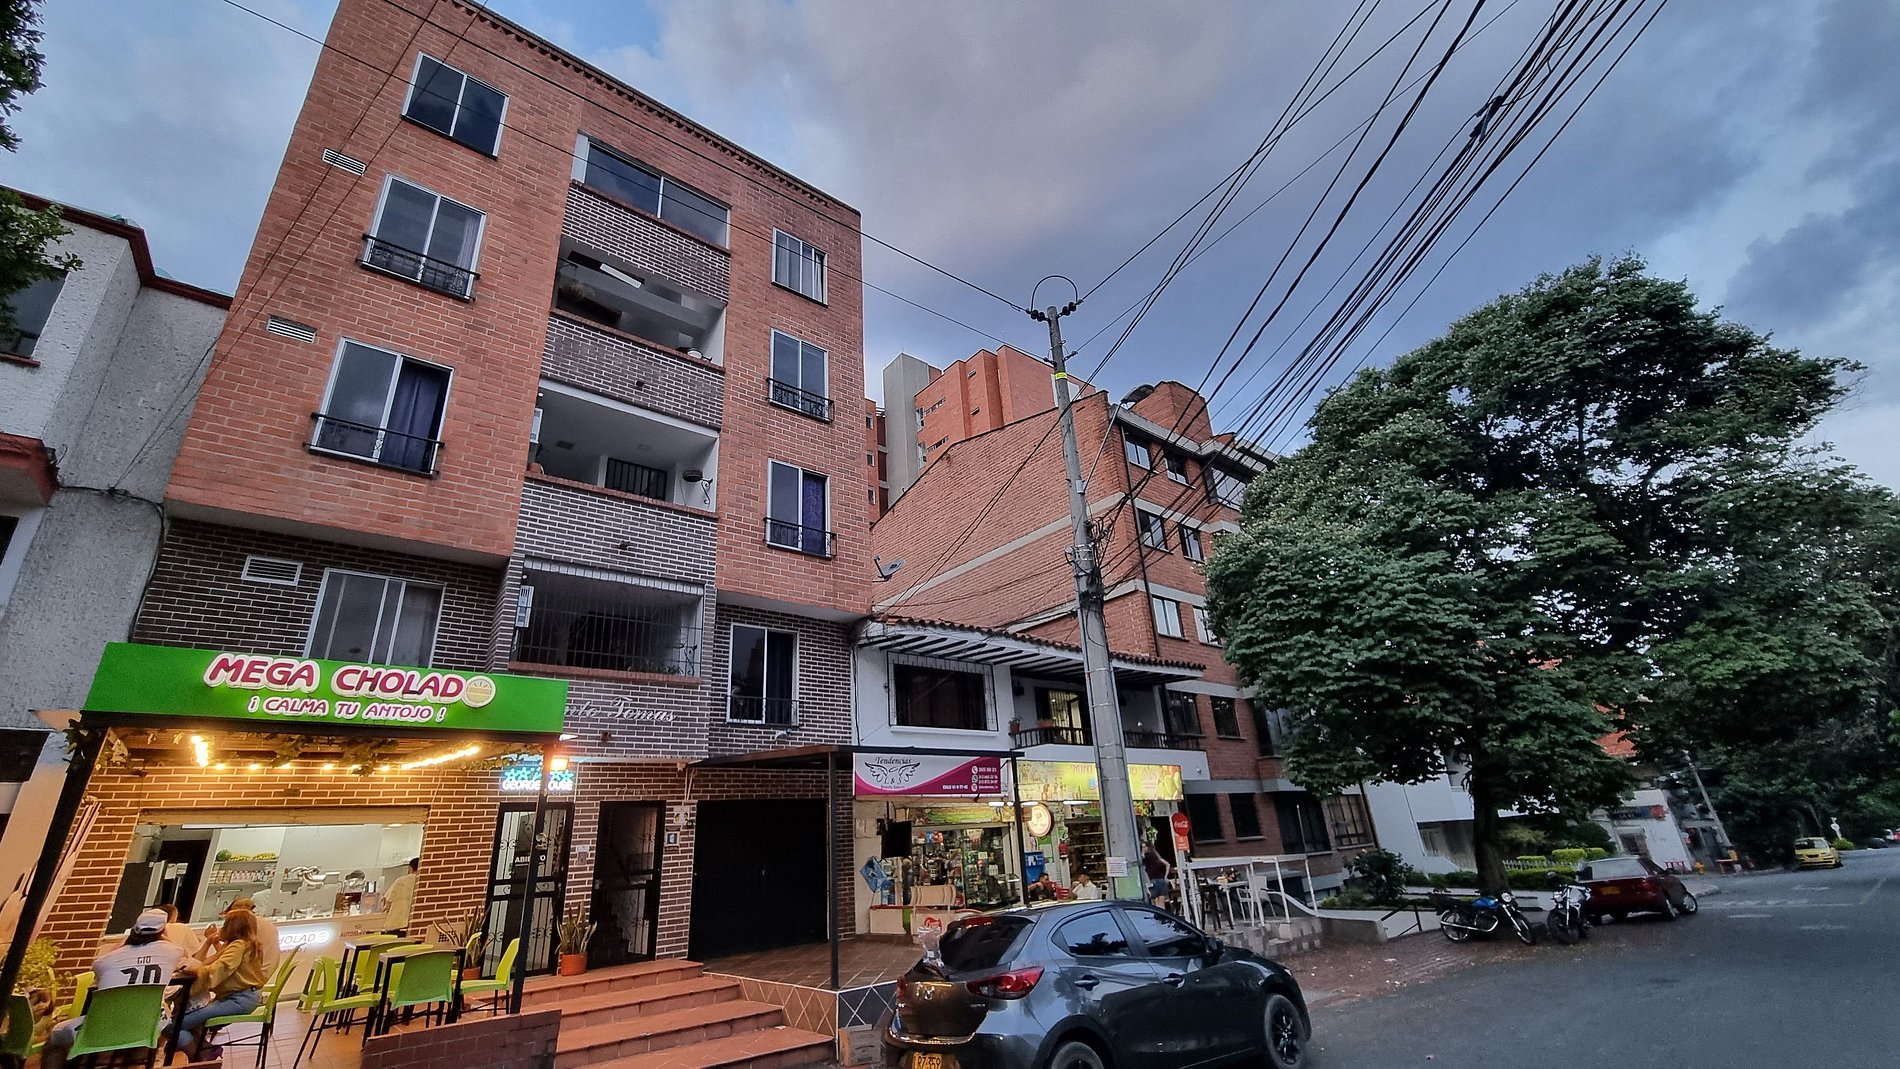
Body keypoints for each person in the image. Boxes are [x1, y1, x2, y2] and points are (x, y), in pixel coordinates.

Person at [42, 910, 187, 1069]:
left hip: (101, 1029)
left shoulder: (104, 962)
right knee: (157, 1018)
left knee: (55, 1036)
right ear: (163, 931)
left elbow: (99, 980)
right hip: (145, 1027)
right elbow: (181, 953)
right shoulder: (172, 952)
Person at [170, 908, 268, 1058]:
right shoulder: (249, 945)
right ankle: (205, 1053)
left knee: (173, 1025)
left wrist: (195, 971)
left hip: (237, 999)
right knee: (190, 1023)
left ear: (232, 927)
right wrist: (210, 943)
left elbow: (221, 968)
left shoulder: (238, 945)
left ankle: (203, 1057)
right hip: (247, 997)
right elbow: (222, 960)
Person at [223, 897, 280, 973]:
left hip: (251, 974)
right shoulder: (265, 923)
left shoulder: (243, 924)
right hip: (267, 971)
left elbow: (228, 959)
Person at [384, 857, 419, 935]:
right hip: (413, 927)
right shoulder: (422, 882)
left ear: (410, 868)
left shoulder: (400, 881)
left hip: (396, 925)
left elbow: (387, 904)